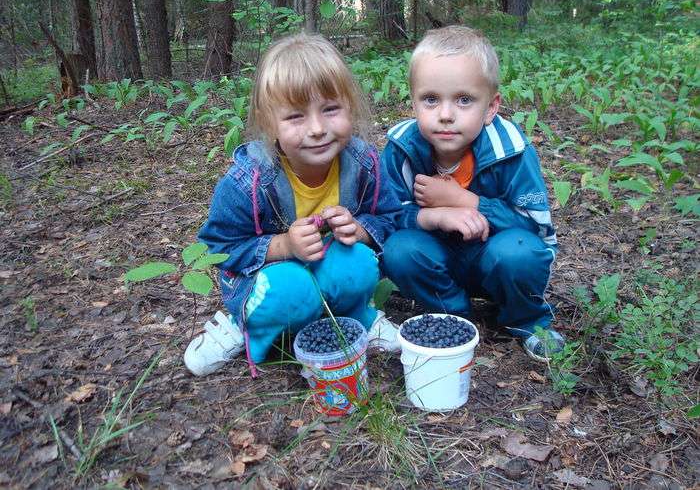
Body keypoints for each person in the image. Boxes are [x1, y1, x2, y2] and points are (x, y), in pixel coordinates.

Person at [184, 32, 402, 377]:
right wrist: (283, 245)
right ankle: (243, 325)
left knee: (358, 260)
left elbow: (392, 218)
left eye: (330, 109)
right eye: (296, 117)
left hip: (330, 266)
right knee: (290, 286)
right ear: (269, 121)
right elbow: (217, 248)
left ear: (350, 105)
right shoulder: (249, 181)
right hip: (270, 279)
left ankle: (358, 316)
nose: (317, 129)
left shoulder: (365, 164)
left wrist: (361, 230)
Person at [381, 26, 564, 362]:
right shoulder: (402, 149)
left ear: (491, 106)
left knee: (519, 252)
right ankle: (453, 316)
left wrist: (467, 201)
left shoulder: (511, 151)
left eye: (464, 100)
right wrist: (433, 215)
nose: (446, 114)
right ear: (414, 102)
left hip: (495, 258)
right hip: (439, 258)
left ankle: (529, 322)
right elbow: (385, 217)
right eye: (431, 99)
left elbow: (537, 230)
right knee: (400, 249)